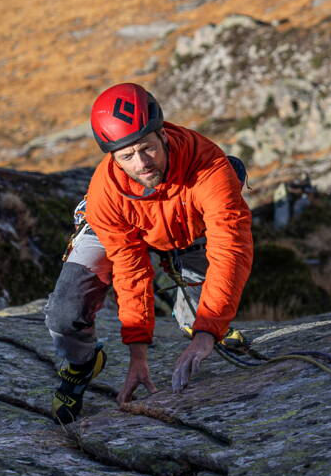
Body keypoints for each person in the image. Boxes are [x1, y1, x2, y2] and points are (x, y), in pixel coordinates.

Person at [44, 82, 253, 424]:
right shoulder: (106, 192)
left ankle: (193, 318)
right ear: (113, 157)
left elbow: (230, 249)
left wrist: (207, 332)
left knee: (208, 313)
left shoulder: (210, 167)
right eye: (126, 156)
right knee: (64, 311)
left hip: (186, 222)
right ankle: (82, 364)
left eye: (147, 148)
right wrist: (137, 353)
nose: (141, 163)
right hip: (122, 222)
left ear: (164, 135)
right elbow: (130, 270)